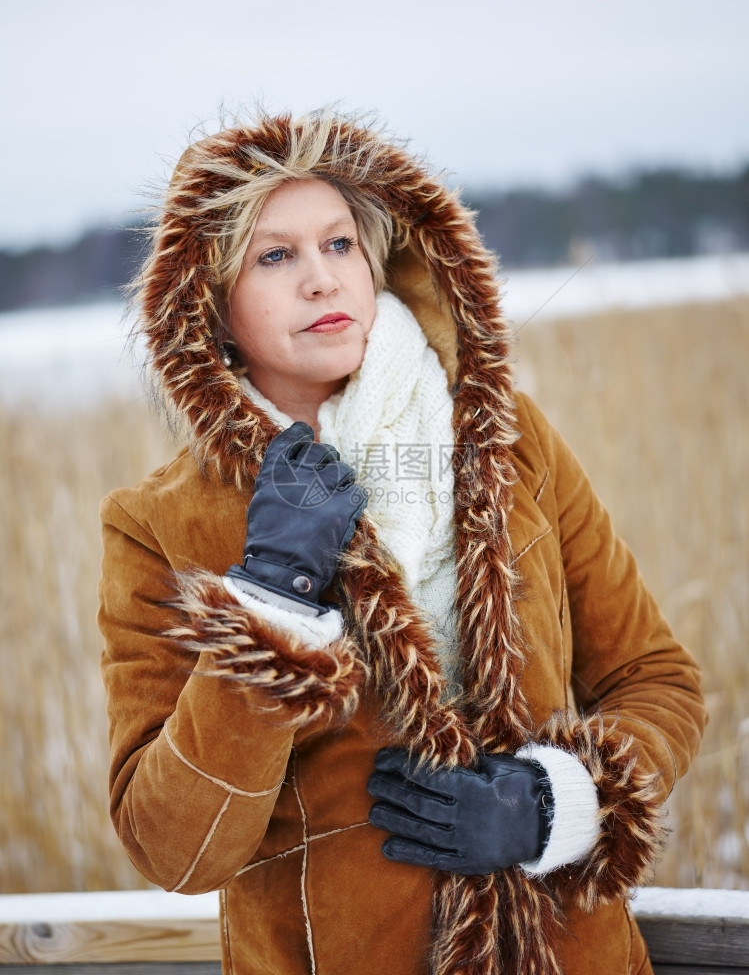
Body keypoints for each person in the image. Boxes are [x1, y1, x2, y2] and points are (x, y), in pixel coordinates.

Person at [98, 110, 706, 975]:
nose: (321, 280)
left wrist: (553, 803)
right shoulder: (160, 523)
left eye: (339, 243)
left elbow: (656, 681)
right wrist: (269, 599)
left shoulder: (506, 440)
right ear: (210, 305)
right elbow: (176, 851)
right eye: (275, 256)